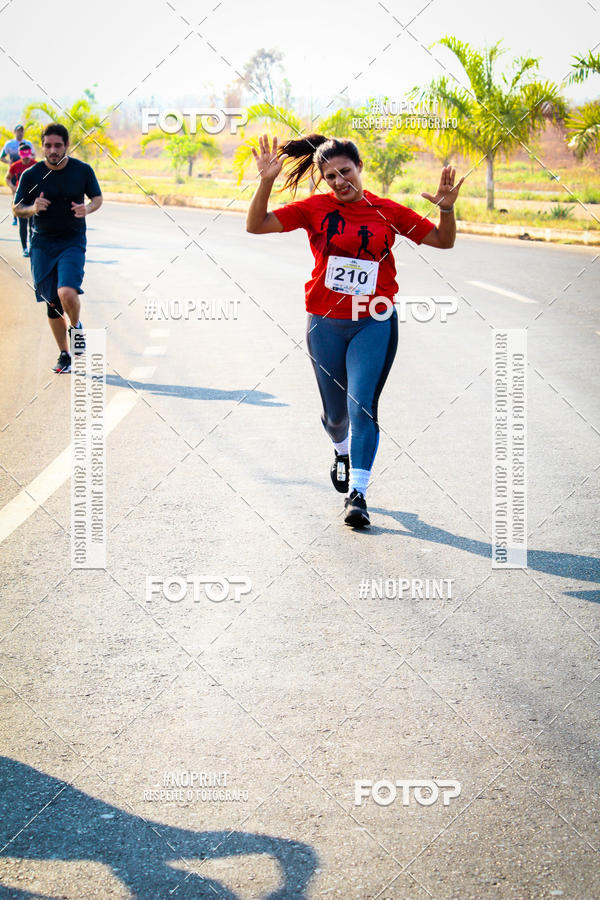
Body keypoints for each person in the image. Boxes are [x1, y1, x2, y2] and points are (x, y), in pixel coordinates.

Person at [247, 133, 464, 528]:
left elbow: (442, 241)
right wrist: (265, 181)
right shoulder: (314, 209)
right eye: (330, 177)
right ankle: (341, 451)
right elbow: (256, 226)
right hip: (324, 323)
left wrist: (447, 210)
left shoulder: (386, 211)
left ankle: (358, 494)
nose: (339, 182)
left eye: (345, 172)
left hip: (374, 320)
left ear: (360, 167)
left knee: (361, 405)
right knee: (335, 417)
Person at [13, 123, 102, 374]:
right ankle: (64, 354)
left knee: (67, 293)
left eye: (58, 145)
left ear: (66, 145)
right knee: (52, 302)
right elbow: (17, 208)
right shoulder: (31, 175)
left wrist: (89, 208)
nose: (53, 150)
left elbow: (97, 197)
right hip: (42, 243)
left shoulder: (82, 171)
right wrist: (32, 208)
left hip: (72, 241)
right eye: (48, 145)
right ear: (42, 146)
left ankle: (76, 328)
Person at [1, 125, 34, 225]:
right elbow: (2, 157)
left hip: (27, 172)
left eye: (22, 131)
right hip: (15, 172)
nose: (20, 133)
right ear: (15, 132)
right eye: (18, 131)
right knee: (15, 195)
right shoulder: (9, 144)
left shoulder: (28, 143)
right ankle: (15, 216)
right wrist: (9, 162)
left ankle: (29, 216)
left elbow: (33, 155)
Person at [7, 143, 36, 256]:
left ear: (30, 154)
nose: (26, 157)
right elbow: (8, 178)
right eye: (23, 155)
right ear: (20, 154)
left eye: (28, 154)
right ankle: (24, 248)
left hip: (33, 197)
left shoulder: (36, 165)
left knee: (33, 224)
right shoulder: (15, 165)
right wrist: (12, 187)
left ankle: (32, 247)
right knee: (22, 224)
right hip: (21, 197)